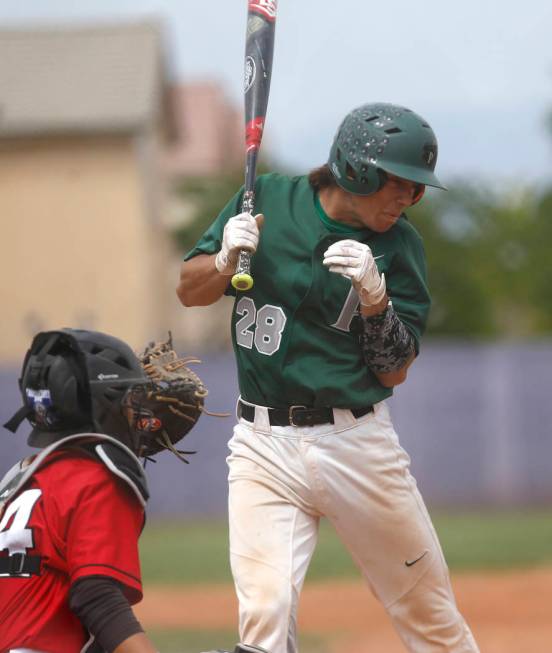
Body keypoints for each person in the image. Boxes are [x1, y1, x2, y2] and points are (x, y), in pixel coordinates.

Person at [177, 103, 479, 653]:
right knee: (264, 616)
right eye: (403, 184)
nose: (411, 198)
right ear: (358, 169)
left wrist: (376, 300)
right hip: (261, 444)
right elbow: (188, 290)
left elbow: (396, 369)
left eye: (417, 188)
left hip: (355, 443)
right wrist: (222, 261)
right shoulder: (265, 199)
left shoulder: (401, 246)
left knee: (428, 614)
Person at [0, 328, 206, 653]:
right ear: (101, 405)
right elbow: (96, 597)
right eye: (129, 399)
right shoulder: (97, 479)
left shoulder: (20, 482)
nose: (139, 412)